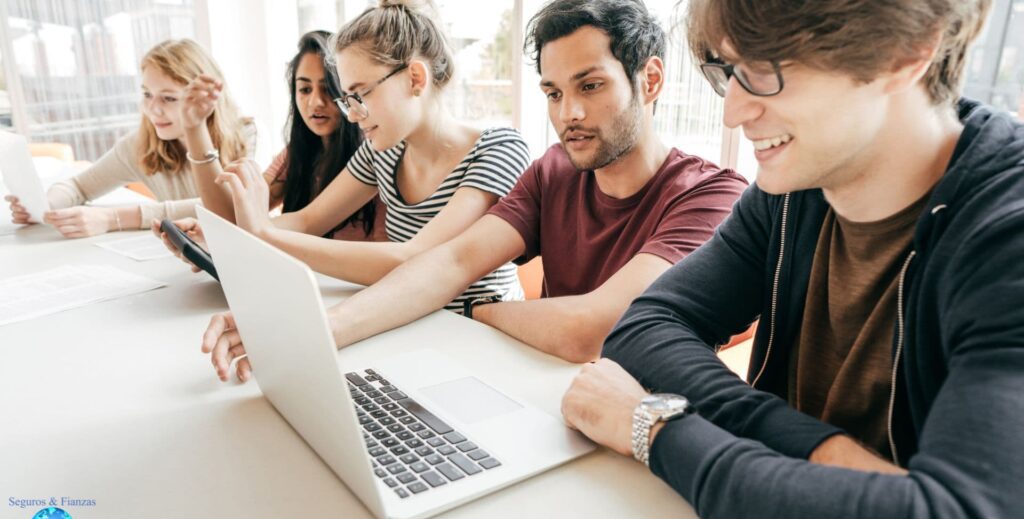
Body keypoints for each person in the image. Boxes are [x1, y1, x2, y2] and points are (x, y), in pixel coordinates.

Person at [560, 0, 1024, 519]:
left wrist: (656, 429)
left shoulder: (1006, 232)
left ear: (907, 52)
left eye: (764, 71)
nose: (732, 112)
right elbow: (643, 328)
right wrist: (822, 451)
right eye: (728, 72)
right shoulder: (792, 192)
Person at [201, 0, 746, 382]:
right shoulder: (554, 170)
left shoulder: (712, 196)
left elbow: (590, 329)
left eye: (591, 85)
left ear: (649, 81)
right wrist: (313, 329)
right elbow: (449, 262)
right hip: (546, 396)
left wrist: (474, 312)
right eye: (553, 92)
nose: (568, 114)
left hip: (653, 434)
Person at [203, 0, 528, 317]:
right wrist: (224, 237)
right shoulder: (382, 152)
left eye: (360, 95)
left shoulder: (498, 149)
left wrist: (266, 236)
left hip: (484, 333)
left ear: (415, 78)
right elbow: (307, 221)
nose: (353, 115)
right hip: (412, 321)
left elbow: (414, 258)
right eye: (347, 99)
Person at [153, 31, 384, 270]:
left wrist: (235, 238)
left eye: (328, 89)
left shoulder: (373, 154)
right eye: (304, 90)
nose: (315, 102)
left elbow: (296, 225)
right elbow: (237, 216)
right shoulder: (296, 156)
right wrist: (194, 127)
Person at [5, 39, 254, 238]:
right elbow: (78, 186)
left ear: (206, 99)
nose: (153, 109)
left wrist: (114, 219)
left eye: (169, 98)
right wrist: (45, 207)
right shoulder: (140, 145)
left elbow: (226, 210)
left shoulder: (245, 134)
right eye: (147, 94)